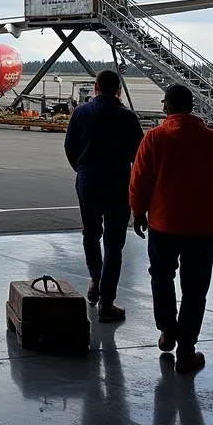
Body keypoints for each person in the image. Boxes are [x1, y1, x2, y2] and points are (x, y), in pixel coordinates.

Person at [129, 84, 213, 375]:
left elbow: (139, 179)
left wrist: (138, 211)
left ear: (167, 106)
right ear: (192, 107)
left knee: (161, 277)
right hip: (201, 227)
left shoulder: (154, 138)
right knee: (195, 289)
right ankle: (187, 351)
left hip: (163, 224)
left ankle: (168, 330)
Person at [63, 69, 144, 322]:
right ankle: (107, 303)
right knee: (114, 243)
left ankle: (94, 279)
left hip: (88, 181)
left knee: (90, 233)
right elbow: (138, 155)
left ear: (96, 88)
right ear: (118, 90)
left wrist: (82, 168)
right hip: (118, 182)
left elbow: (69, 146)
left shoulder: (81, 112)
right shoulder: (128, 117)